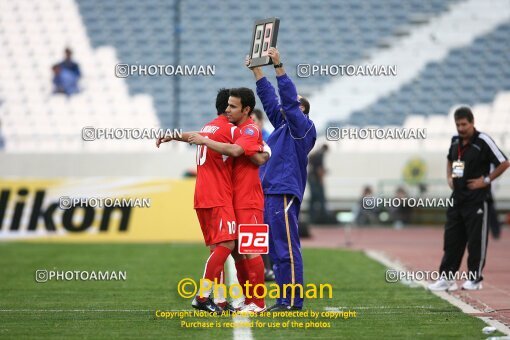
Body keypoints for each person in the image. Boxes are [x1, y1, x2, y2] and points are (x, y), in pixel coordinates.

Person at [157, 89, 269, 313]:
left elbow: (244, 151)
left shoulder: (234, 129)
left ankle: (252, 302)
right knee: (234, 249)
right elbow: (245, 150)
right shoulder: (229, 129)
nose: (229, 109)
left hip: (242, 198)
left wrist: (265, 150)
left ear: (245, 110)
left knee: (244, 249)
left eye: (233, 106)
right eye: (228, 106)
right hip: (225, 197)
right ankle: (232, 299)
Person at [247, 47, 316, 311]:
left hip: (283, 191)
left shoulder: (303, 128)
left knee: (286, 248)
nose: (287, 106)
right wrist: (256, 71)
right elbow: (271, 102)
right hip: (271, 191)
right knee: (276, 251)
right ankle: (283, 299)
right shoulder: (285, 127)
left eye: (295, 103)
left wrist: (279, 66)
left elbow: (286, 101)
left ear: (302, 110)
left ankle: (293, 301)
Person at [428, 107, 509, 291]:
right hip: (457, 198)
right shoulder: (455, 140)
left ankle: (475, 279)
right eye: (457, 124)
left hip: (477, 199)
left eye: (464, 124)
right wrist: (449, 177)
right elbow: (450, 159)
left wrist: (486, 180)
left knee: (475, 241)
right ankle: (447, 278)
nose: (461, 128)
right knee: (451, 240)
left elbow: (504, 162)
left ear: (472, 123)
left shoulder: (483, 141)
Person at [250, 108, 274, 281]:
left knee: (263, 230)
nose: (251, 123)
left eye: (254, 120)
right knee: (258, 230)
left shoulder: (267, 139)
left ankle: (267, 268)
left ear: (261, 121)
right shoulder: (254, 137)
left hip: (264, 190)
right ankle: (266, 268)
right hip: (256, 189)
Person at [308, 144, 329, 224]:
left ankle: (312, 217)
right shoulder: (320, 155)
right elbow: (319, 169)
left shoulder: (315, 153)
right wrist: (321, 180)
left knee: (313, 199)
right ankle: (322, 216)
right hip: (315, 179)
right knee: (320, 198)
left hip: (311, 178)